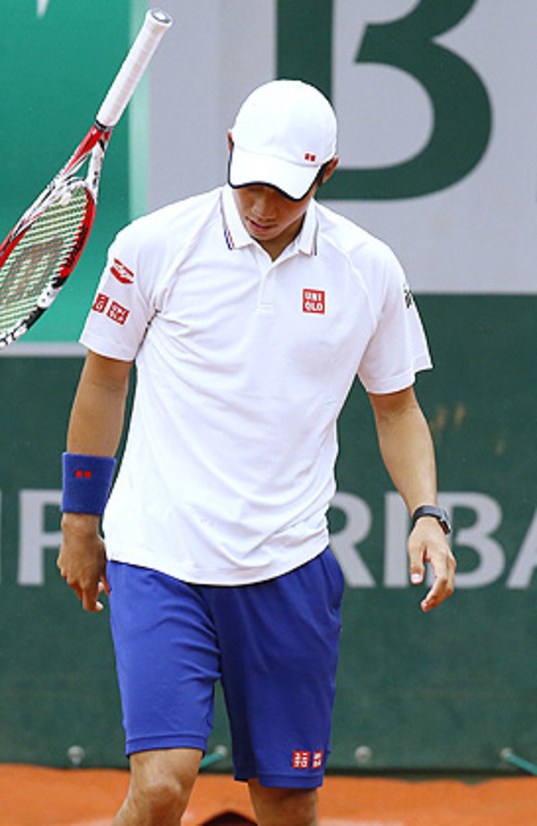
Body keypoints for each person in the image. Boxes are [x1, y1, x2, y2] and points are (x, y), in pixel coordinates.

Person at [56, 79, 456, 826]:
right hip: (161, 556)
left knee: (287, 803)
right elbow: (104, 380)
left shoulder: (368, 268)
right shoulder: (153, 245)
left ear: (326, 174)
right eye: (251, 184)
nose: (264, 207)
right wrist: (81, 519)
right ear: (230, 152)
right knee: (162, 785)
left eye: (287, 191)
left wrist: (426, 513)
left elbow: (397, 409)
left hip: (288, 564)